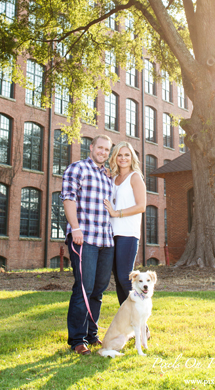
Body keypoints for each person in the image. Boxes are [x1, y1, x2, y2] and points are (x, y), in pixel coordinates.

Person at [61, 134, 114, 355]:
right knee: (84, 288)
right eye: (99, 148)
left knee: (98, 290)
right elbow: (68, 197)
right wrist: (75, 228)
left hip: (105, 240)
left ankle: (92, 335)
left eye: (106, 150)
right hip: (84, 238)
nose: (102, 152)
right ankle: (77, 340)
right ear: (91, 147)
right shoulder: (78, 168)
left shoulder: (106, 176)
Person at [104, 142, 146, 305]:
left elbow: (141, 206)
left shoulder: (135, 176)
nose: (123, 158)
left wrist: (117, 213)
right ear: (115, 157)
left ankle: (141, 319)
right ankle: (127, 317)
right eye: (119, 155)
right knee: (119, 279)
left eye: (127, 155)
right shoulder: (113, 178)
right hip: (112, 233)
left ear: (132, 158)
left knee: (125, 277)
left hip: (128, 233)